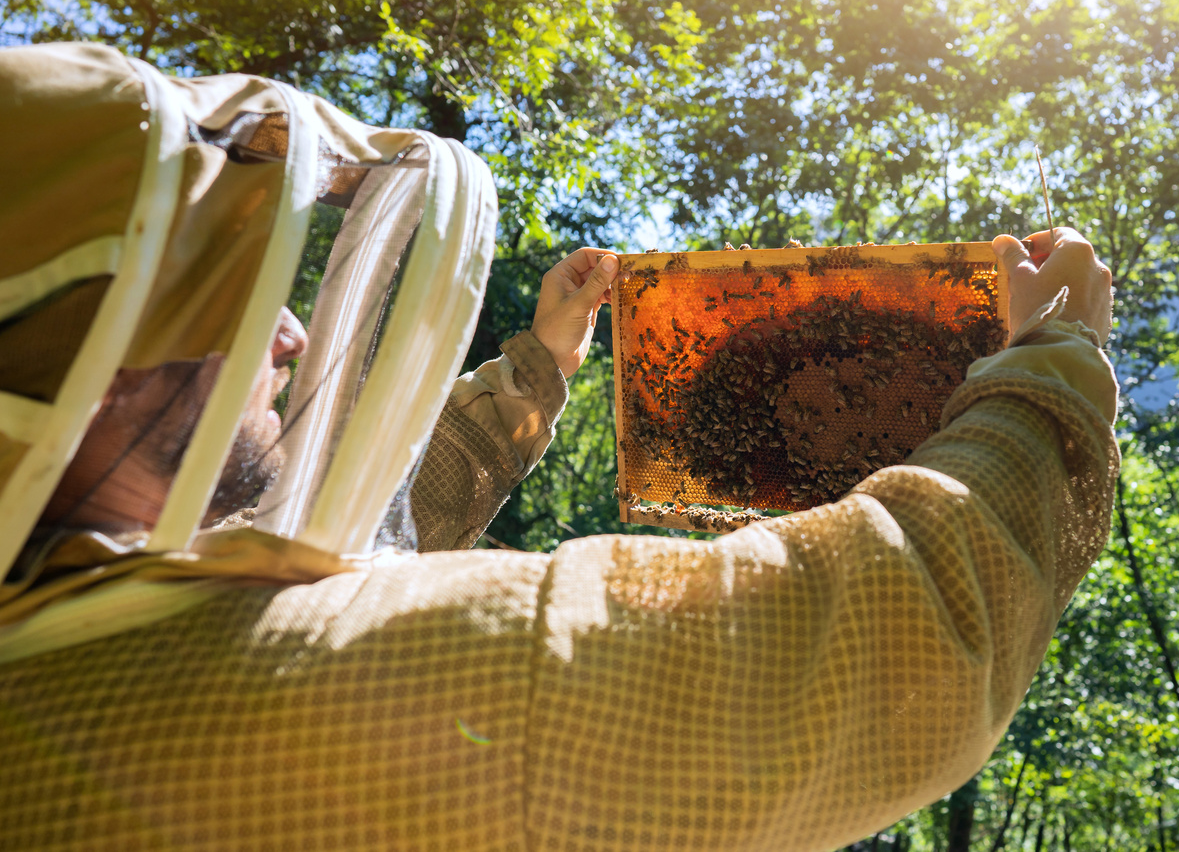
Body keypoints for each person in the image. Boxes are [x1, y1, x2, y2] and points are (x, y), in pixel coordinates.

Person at [0, 44, 1117, 850]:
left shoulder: (54, 621)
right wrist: (1053, 363)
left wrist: (538, 365)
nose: (288, 334)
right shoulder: (359, 691)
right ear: (92, 373)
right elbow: (877, 641)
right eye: (230, 303)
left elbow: (357, 526)